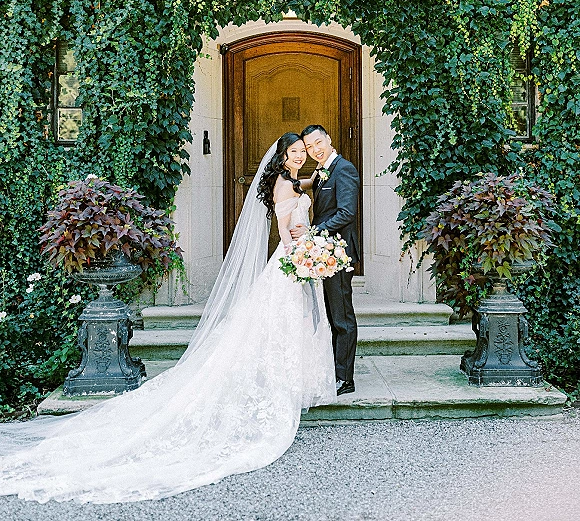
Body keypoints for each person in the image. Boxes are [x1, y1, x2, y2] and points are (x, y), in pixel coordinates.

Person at [0, 134, 335, 504]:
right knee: (278, 324)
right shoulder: (283, 183)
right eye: (295, 152)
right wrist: (303, 255)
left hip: (295, 258)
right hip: (291, 259)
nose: (301, 156)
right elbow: (287, 228)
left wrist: (315, 180)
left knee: (281, 324)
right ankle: (280, 380)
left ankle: (289, 376)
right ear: (283, 156)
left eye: (304, 151)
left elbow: (299, 191)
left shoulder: (290, 179)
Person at [291, 125, 360, 396]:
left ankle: (345, 378)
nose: (315, 149)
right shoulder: (322, 171)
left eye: (318, 142)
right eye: (309, 147)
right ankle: (334, 370)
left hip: (339, 253)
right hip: (325, 253)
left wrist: (312, 233)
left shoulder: (344, 169)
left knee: (342, 316)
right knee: (331, 314)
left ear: (329, 139)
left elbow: (346, 213)